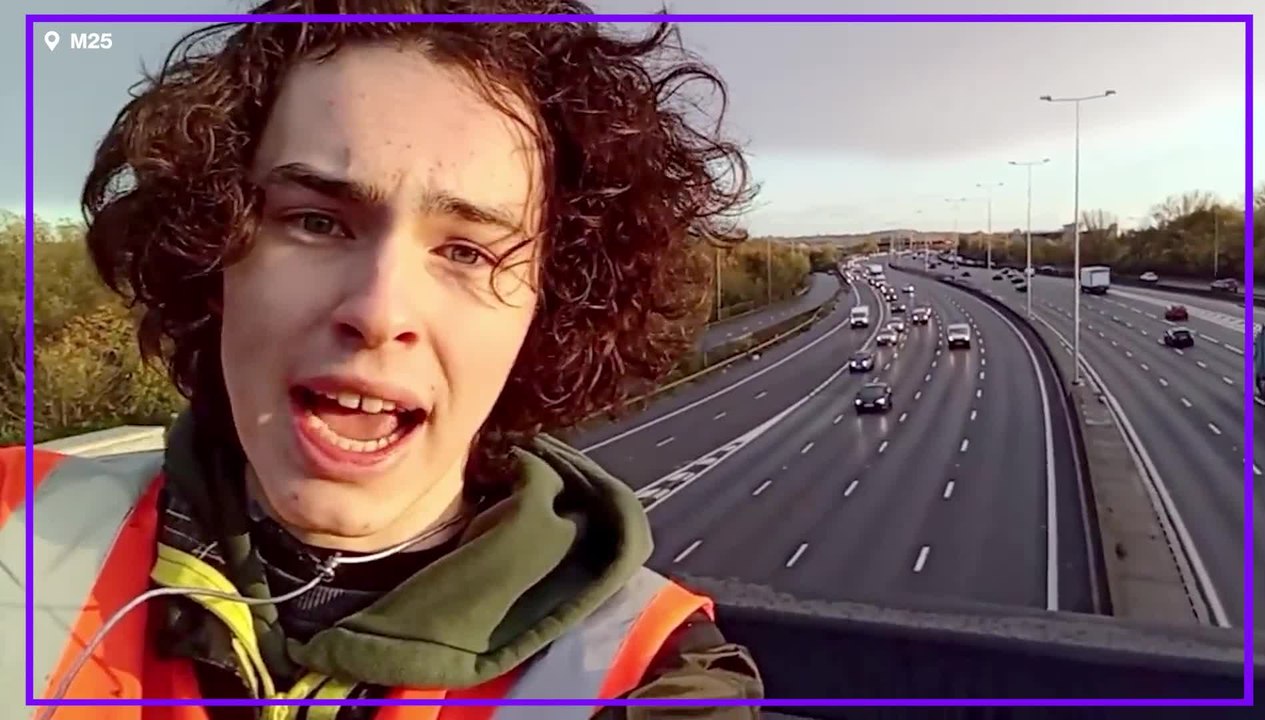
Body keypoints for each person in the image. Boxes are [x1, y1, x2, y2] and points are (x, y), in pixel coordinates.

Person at [0, 1, 765, 718]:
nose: (378, 311)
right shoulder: (14, 518)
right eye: (316, 221)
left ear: (550, 308)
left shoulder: (650, 676)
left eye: (467, 251)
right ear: (211, 253)